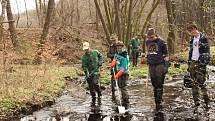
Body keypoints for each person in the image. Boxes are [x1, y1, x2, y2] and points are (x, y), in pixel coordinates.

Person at [187, 24, 210, 109]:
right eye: (190, 31)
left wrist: (204, 62)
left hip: (201, 62)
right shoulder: (192, 39)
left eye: (192, 30)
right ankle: (196, 101)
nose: (192, 32)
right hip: (193, 61)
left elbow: (208, 51)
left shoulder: (204, 38)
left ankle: (206, 100)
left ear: (196, 29)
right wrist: (189, 63)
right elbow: (191, 51)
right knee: (193, 82)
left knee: (201, 82)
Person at [145, 28, 168, 111]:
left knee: (159, 83)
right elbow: (148, 53)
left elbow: (166, 55)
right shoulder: (147, 42)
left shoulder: (161, 42)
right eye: (149, 37)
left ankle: (159, 101)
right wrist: (147, 59)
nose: (150, 38)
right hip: (151, 64)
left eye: (151, 37)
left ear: (155, 35)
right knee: (154, 83)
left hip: (160, 64)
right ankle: (156, 100)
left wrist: (166, 67)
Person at [111, 41, 130, 109]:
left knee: (123, 86)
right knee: (119, 85)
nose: (119, 49)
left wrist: (117, 75)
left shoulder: (125, 56)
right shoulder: (117, 54)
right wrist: (113, 62)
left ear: (122, 47)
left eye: (120, 48)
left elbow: (124, 68)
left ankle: (126, 100)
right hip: (118, 72)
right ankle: (122, 98)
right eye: (118, 48)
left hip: (124, 73)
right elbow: (115, 59)